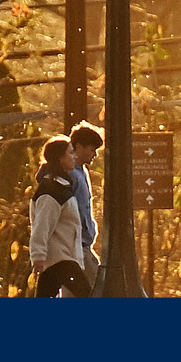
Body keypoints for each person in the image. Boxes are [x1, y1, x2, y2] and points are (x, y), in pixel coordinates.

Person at [29, 135, 92, 297]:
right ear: (60, 158)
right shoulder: (52, 191)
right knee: (85, 293)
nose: (75, 156)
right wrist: (38, 256)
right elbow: (42, 225)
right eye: (70, 153)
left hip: (61, 256)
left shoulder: (62, 187)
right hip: (59, 258)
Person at [69, 122, 103, 287]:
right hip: (77, 245)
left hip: (82, 244)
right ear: (79, 147)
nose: (94, 154)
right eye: (92, 149)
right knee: (98, 286)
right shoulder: (72, 174)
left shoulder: (82, 172)